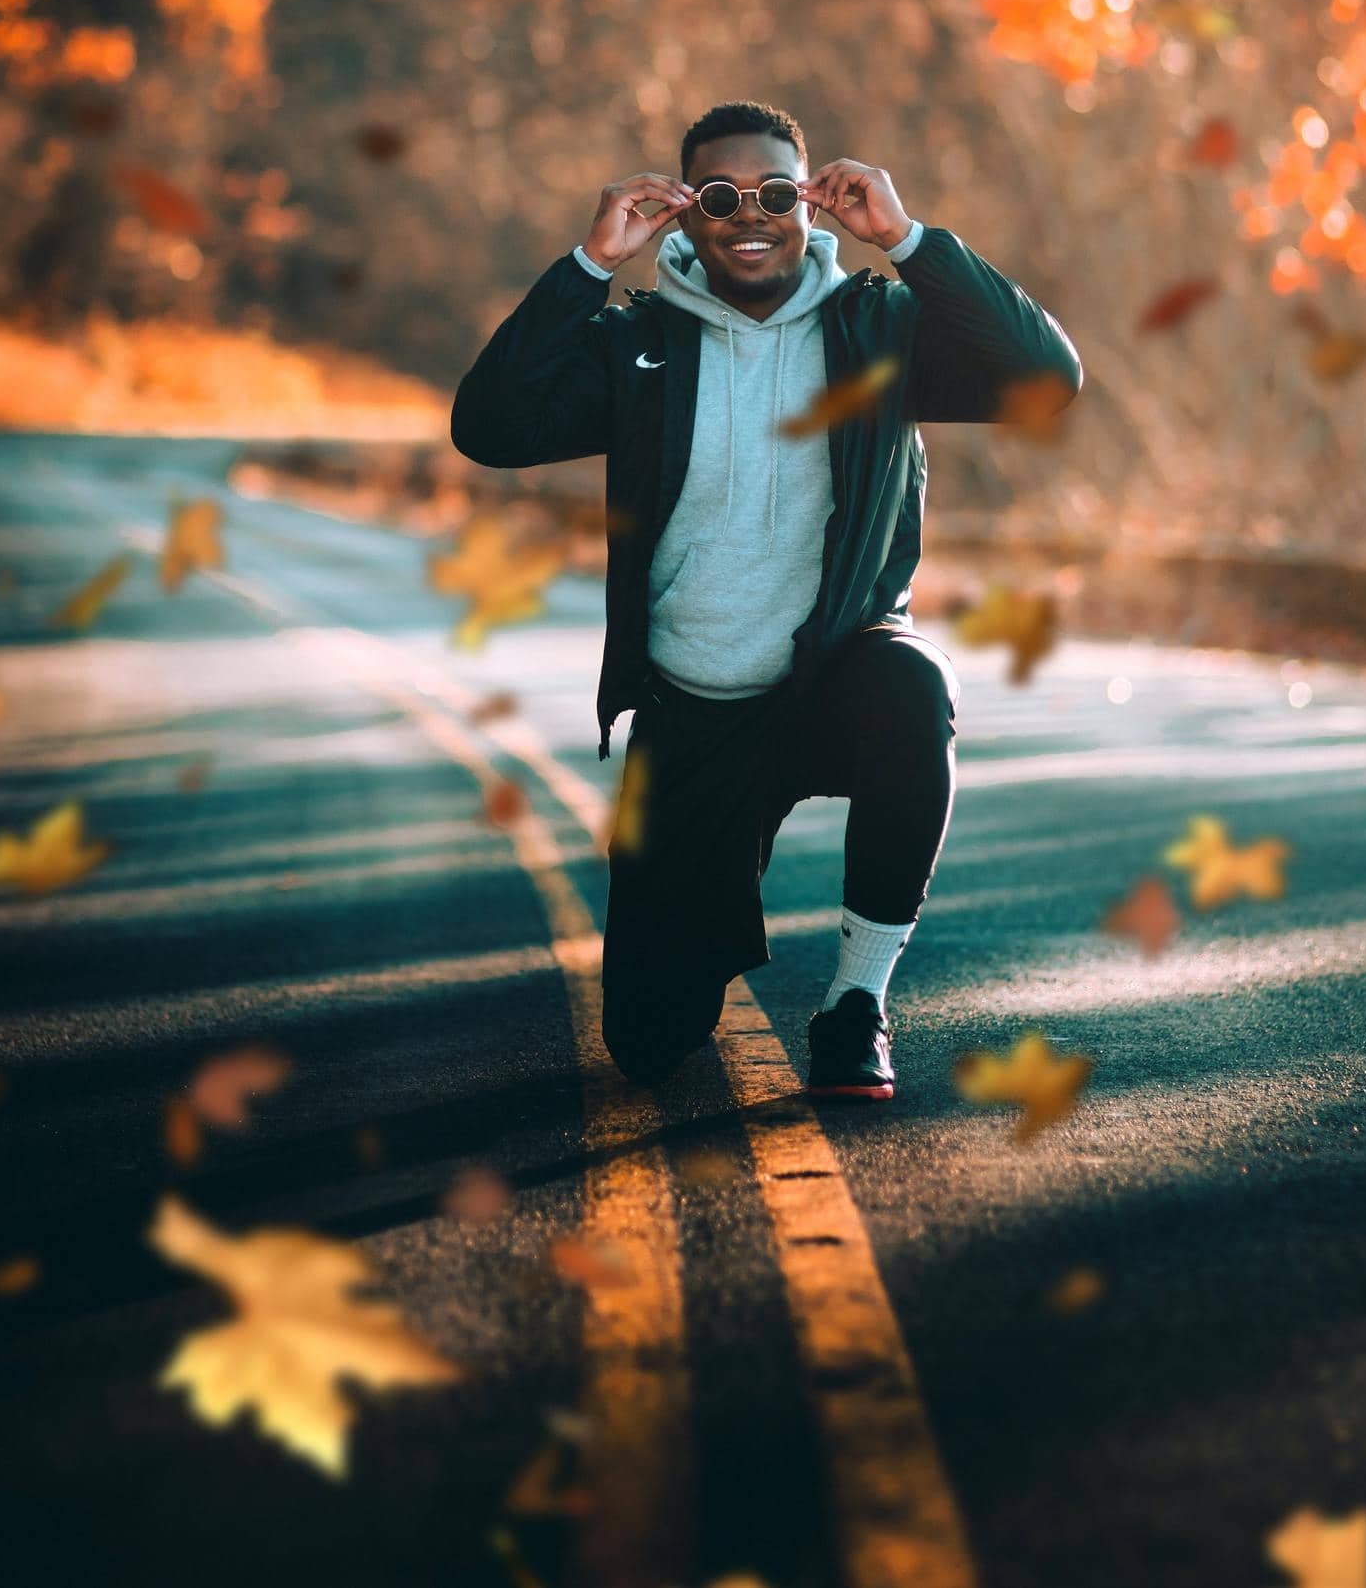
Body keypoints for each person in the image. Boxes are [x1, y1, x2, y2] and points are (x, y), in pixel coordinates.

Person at [451, 101, 1083, 1098]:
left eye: (777, 193)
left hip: (825, 686)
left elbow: (1047, 376)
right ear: (684, 214)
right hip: (689, 715)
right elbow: (489, 426)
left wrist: (911, 241)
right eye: (720, 195)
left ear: (811, 208)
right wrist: (585, 265)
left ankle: (855, 1005)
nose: (752, 213)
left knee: (911, 687)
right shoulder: (639, 346)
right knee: (653, 1044)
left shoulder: (876, 332)